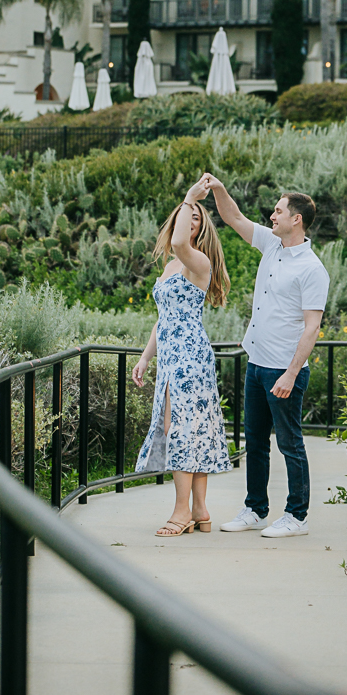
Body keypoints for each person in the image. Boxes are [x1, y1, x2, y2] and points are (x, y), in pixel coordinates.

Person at [202, 177, 329, 537]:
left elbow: (312, 328)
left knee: (290, 444)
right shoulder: (271, 245)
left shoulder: (312, 269)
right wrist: (218, 189)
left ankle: (297, 516)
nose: (272, 215)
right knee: (254, 442)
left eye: (278, 210)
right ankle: (255, 509)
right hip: (257, 363)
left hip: (283, 371)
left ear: (297, 220)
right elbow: (234, 218)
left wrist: (290, 374)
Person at [132, 178, 232, 536]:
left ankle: (181, 512)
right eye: (184, 216)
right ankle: (201, 510)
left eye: (195, 219)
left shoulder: (196, 260)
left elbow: (177, 242)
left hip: (190, 355)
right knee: (190, 430)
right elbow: (164, 319)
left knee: (183, 431)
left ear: (201, 229)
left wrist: (191, 197)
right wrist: (145, 358)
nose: (189, 222)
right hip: (172, 355)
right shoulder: (171, 267)